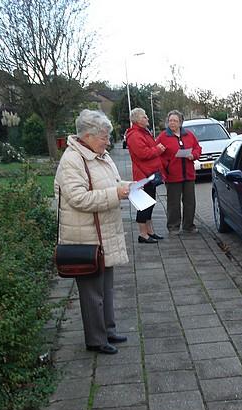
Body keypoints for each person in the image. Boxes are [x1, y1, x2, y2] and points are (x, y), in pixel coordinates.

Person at [54, 109, 131, 355]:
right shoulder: (72, 160)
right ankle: (96, 340)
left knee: (105, 289)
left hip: (103, 234)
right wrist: (115, 194)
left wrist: (127, 187)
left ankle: (108, 330)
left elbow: (110, 183)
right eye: (104, 137)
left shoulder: (100, 155)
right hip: (84, 238)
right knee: (91, 294)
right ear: (88, 136)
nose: (108, 142)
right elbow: (78, 198)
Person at [125, 107, 166, 244]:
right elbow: (143, 153)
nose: (147, 118)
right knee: (144, 205)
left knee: (150, 203)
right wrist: (158, 149)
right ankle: (143, 234)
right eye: (144, 116)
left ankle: (150, 231)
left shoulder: (143, 132)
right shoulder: (135, 135)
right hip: (143, 174)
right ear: (137, 120)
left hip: (149, 173)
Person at [158, 110, 202, 234]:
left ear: (180, 122)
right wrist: (166, 165)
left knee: (190, 202)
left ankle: (189, 225)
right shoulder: (163, 137)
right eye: (170, 120)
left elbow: (198, 148)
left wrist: (193, 155)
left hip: (188, 174)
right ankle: (173, 226)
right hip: (172, 175)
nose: (172, 123)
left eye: (175, 121)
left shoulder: (189, 135)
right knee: (173, 203)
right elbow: (157, 153)